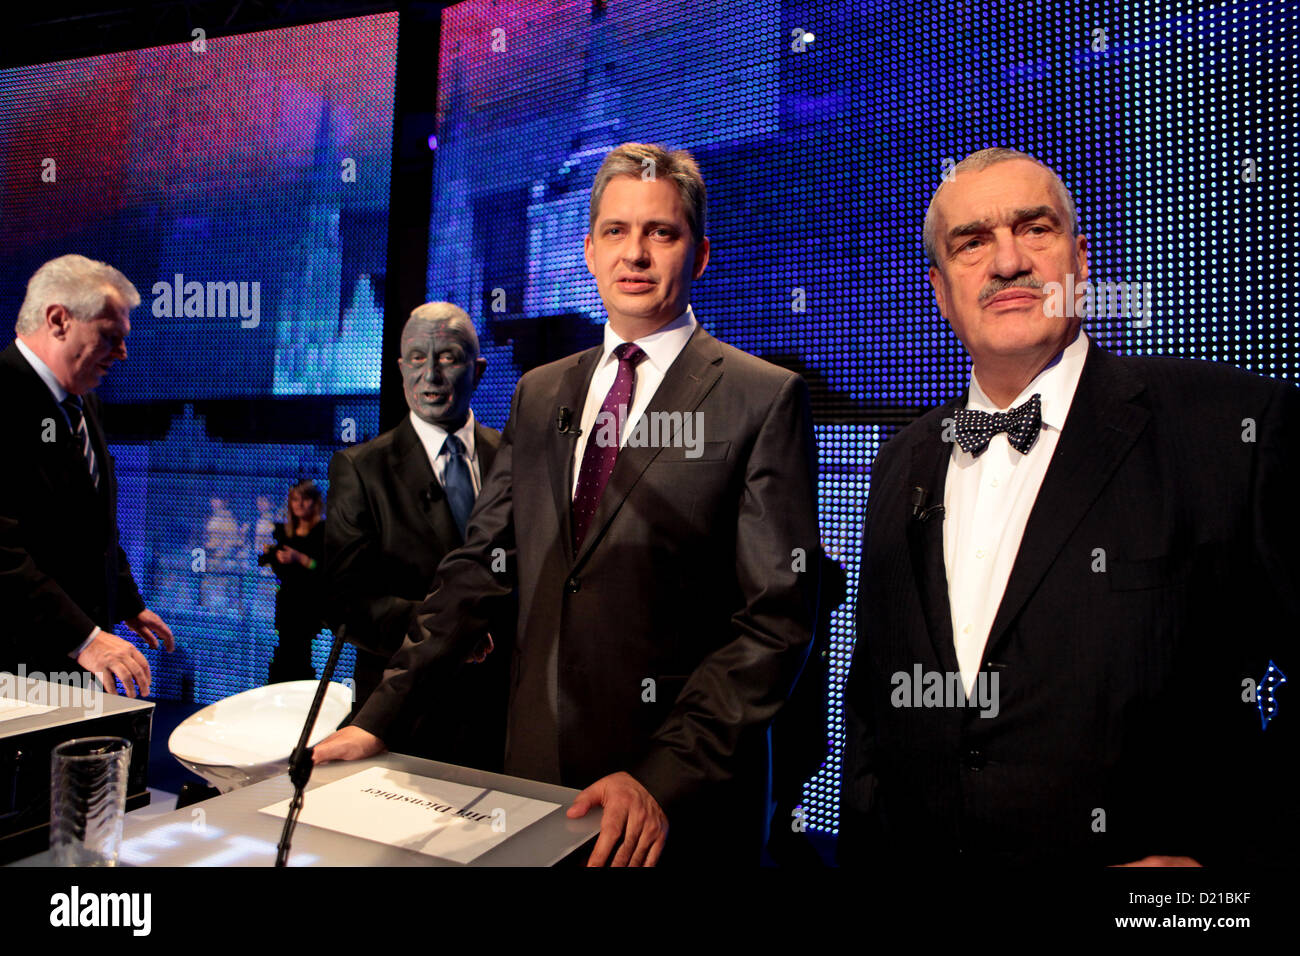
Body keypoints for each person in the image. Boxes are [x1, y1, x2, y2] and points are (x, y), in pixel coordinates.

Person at [314, 142, 822, 867]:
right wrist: (381, 719)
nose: (636, 253)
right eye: (616, 231)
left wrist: (660, 778)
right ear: (588, 250)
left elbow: (776, 619)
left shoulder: (761, 398)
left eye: (662, 233)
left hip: (674, 805)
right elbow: (478, 569)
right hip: (534, 777)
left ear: (700, 254)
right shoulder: (541, 392)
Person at [838, 148, 1299, 867]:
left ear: (1079, 260)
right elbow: (874, 694)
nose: (1008, 261)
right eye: (973, 242)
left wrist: (1235, 865)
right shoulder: (901, 461)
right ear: (940, 288)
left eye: (1035, 230)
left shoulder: (1228, 428)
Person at [324, 302, 508, 769]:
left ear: (478, 369)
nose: (432, 376)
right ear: (401, 368)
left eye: (447, 357)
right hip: (404, 713)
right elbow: (346, 604)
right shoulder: (361, 469)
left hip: (506, 711)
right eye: (418, 359)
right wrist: (452, 634)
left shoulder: (513, 454)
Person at [0, 254, 175, 695]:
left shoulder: (80, 399)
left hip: (79, 666)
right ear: (59, 320)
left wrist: (127, 602)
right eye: (110, 337)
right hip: (18, 674)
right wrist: (86, 638)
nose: (122, 352)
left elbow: (94, 521)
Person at [262, 479, 324, 683]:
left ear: (314, 502)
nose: (299, 504)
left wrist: (300, 559)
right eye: (295, 499)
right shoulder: (283, 532)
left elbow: (323, 568)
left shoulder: (323, 532)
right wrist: (273, 554)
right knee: (284, 652)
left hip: (309, 605)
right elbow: (264, 560)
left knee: (302, 655)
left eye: (305, 499)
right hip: (286, 603)